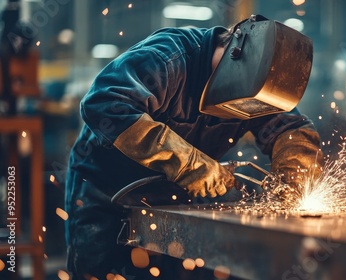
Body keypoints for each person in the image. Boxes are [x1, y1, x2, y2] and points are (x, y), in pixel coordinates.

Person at [65, 15, 324, 279]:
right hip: (106, 188)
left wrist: (294, 182)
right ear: (234, 55)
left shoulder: (263, 87)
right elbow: (103, 102)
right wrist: (188, 164)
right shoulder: (169, 59)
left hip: (176, 196)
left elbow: (292, 131)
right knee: (99, 272)